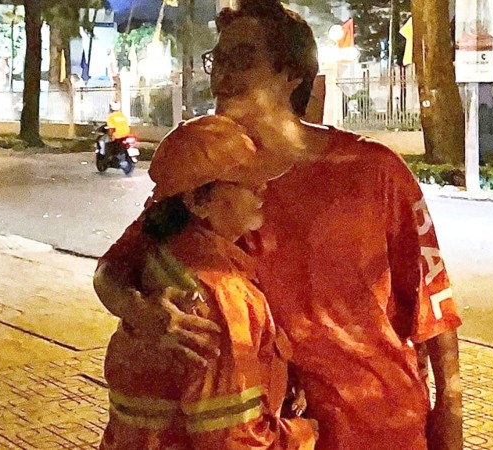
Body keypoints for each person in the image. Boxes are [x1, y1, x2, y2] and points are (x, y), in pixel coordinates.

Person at [94, 1, 463, 449]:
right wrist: (143, 314)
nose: (222, 74)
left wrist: (449, 415)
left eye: (242, 59)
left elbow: (433, 306)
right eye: (218, 59)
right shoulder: (205, 182)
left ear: (291, 74)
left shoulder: (374, 170)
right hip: (277, 434)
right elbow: (112, 270)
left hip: (380, 425)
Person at [97, 114, 317, 450]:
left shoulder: (164, 239)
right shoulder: (222, 296)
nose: (263, 188)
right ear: (199, 200)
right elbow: (234, 440)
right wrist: (305, 433)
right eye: (246, 182)